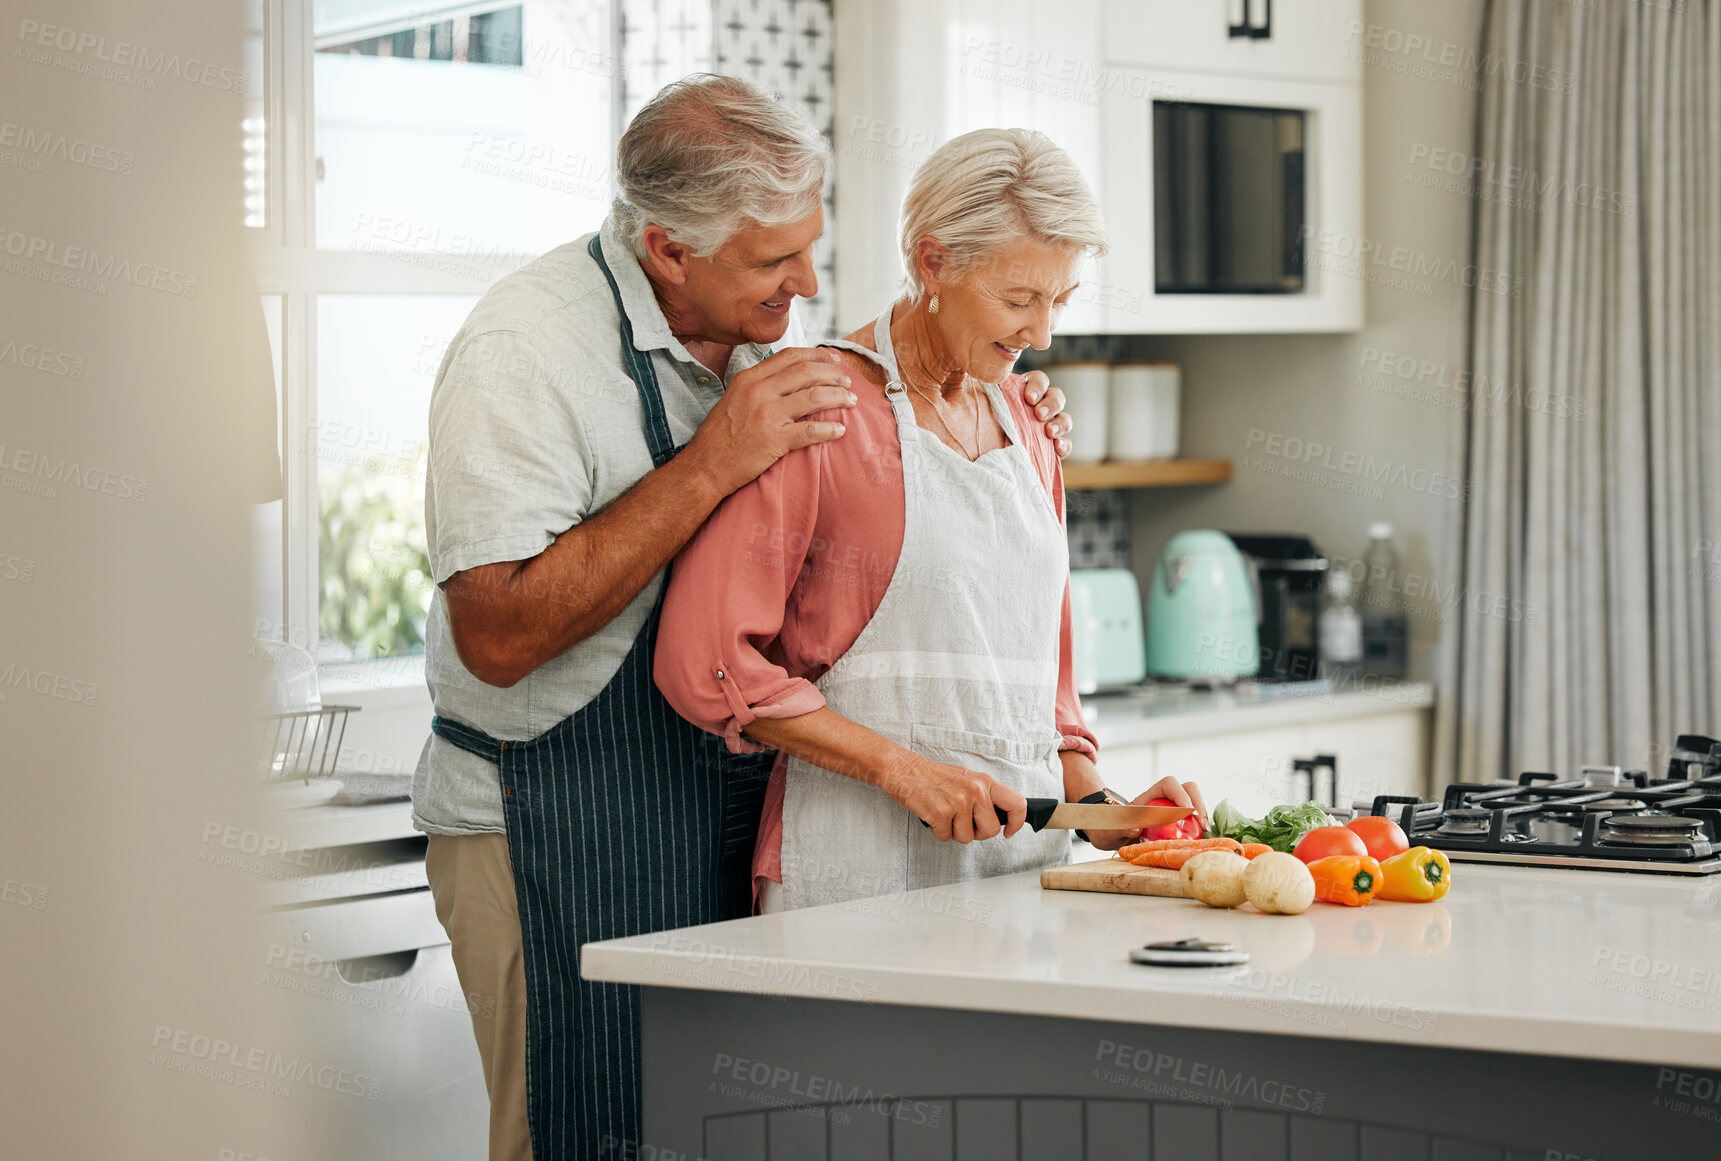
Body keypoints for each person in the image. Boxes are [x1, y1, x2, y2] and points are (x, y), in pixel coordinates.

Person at [413, 79, 1076, 1160]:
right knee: (582, 1133)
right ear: (668, 248)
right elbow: (497, 637)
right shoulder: (523, 355)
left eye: (807, 251)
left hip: (700, 800)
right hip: (542, 817)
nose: (805, 286)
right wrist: (713, 459)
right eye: (775, 263)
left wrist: (1008, 382)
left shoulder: (759, 320)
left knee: (695, 1134)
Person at [655, 128, 1207, 913]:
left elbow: (1040, 699)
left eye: (1058, 300)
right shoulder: (817, 410)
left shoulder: (1031, 427)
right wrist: (900, 769)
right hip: (857, 873)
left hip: (1021, 880)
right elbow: (705, 660)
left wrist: (1110, 811)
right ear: (932, 262)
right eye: (1019, 299)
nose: (1041, 333)